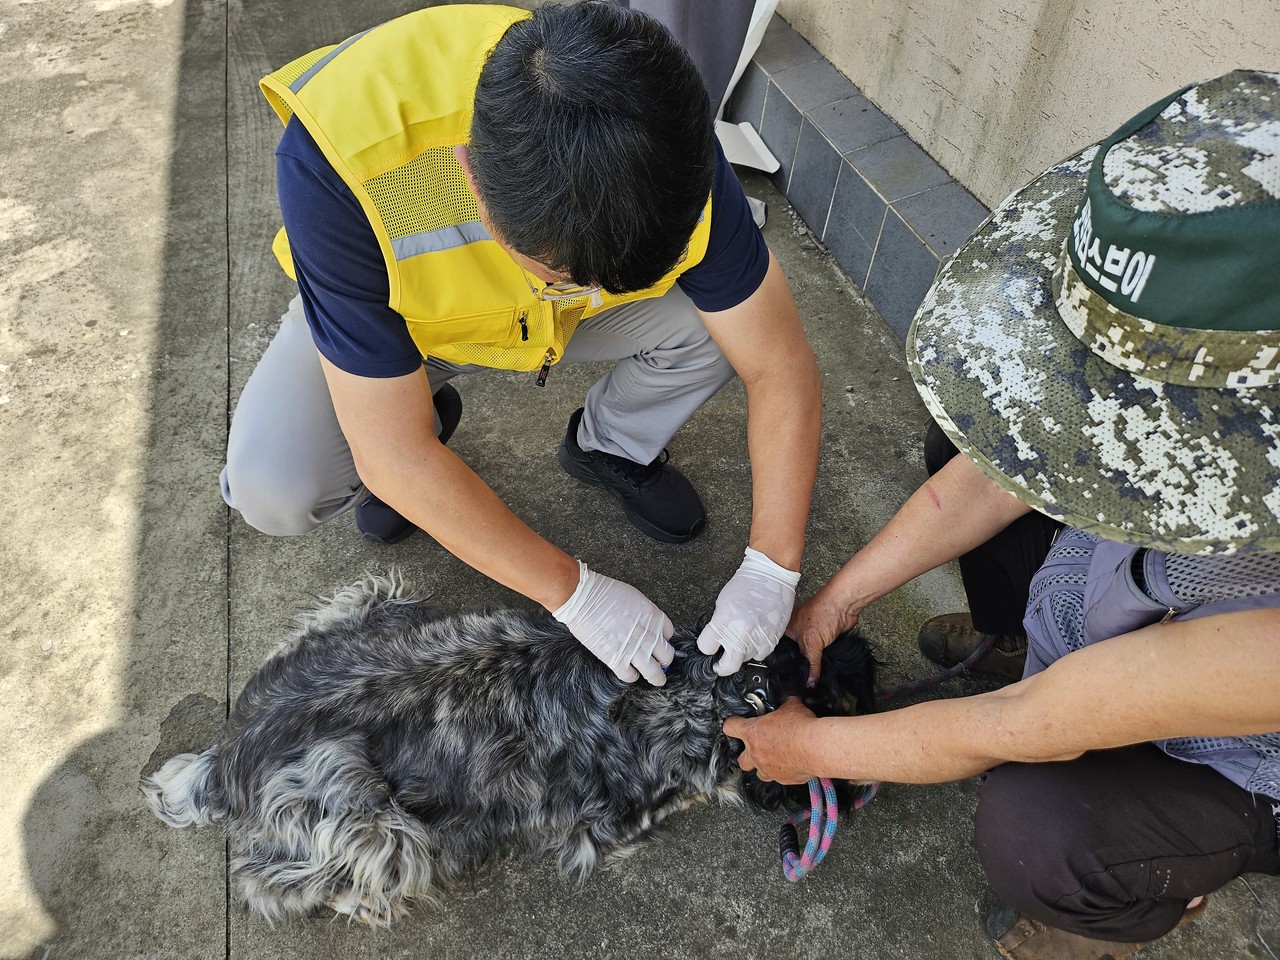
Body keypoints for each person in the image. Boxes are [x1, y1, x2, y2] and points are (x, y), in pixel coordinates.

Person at [725, 70, 1280, 960]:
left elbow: (1019, 728)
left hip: (1240, 749)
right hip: (1128, 591)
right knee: (994, 438)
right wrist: (835, 602)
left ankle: (1135, 902)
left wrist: (814, 749)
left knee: (1039, 828)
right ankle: (1028, 634)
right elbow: (994, 473)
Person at [221, 2, 821, 685]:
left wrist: (773, 566)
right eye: (565, 273)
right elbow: (391, 451)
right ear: (470, 177)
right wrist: (575, 592)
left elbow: (777, 361)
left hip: (557, 328)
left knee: (722, 330)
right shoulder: (344, 151)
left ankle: (611, 445)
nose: (583, 285)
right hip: (409, 333)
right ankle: (423, 415)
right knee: (275, 487)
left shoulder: (660, 128)